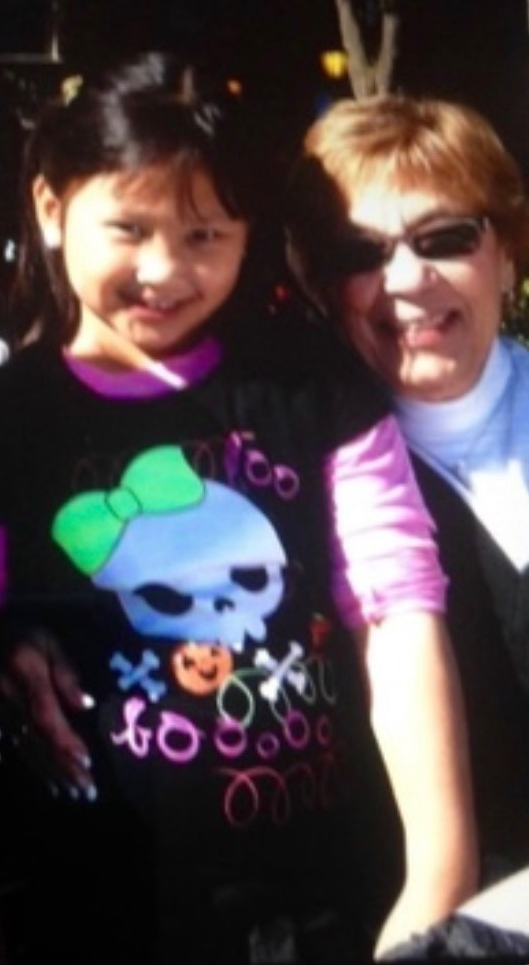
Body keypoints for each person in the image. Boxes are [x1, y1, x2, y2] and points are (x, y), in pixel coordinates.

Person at [0, 54, 477, 965]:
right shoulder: (3, 423)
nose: (164, 269)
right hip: (84, 909)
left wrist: (438, 875)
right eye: (127, 227)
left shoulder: (308, 385)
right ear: (49, 208)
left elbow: (396, 611)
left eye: (204, 235)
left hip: (317, 904)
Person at [284, 94, 529, 918]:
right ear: (315, 282)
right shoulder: (276, 471)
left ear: (506, 252)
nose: (406, 280)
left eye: (446, 238)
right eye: (360, 251)